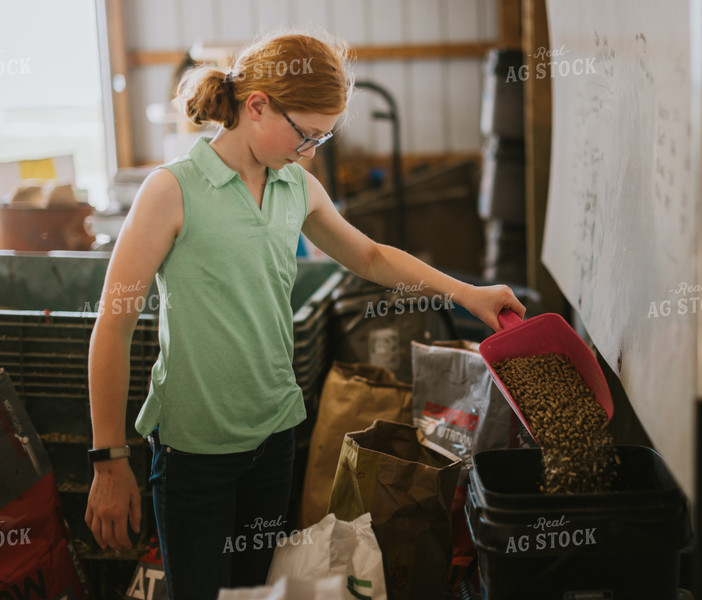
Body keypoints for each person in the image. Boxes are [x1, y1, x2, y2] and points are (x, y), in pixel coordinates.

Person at [85, 30, 525, 599]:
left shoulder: (295, 185)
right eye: (306, 134)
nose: (311, 150)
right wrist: (108, 458)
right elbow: (113, 324)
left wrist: (467, 293)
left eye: (323, 136)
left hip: (273, 436)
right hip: (195, 452)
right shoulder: (172, 191)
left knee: (252, 589)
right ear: (257, 105)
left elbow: (370, 255)